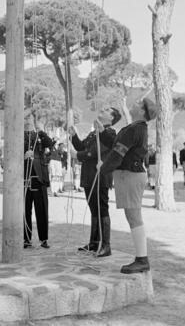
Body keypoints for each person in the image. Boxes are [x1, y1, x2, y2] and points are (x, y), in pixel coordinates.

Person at [95, 97, 157, 274]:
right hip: (129, 174)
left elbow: (118, 153)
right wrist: (102, 132)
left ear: (143, 111)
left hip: (130, 175)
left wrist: (103, 168)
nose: (134, 103)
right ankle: (141, 258)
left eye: (138, 103)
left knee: (134, 217)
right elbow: (118, 146)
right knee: (133, 217)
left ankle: (142, 260)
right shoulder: (136, 128)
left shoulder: (135, 128)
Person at [69, 107, 121, 258]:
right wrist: (74, 137)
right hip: (89, 175)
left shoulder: (110, 133)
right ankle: (94, 242)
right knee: (94, 209)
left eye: (106, 110)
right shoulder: (94, 132)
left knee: (102, 209)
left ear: (111, 118)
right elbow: (83, 146)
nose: (102, 110)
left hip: (100, 176)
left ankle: (106, 245)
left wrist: (77, 155)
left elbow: (94, 152)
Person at [24, 113, 54, 249]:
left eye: (29, 118)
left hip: (39, 178)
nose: (27, 121)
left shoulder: (39, 135)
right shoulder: (18, 135)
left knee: (42, 209)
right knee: (25, 210)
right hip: (25, 178)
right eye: (25, 118)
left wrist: (41, 130)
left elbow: (50, 144)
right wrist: (23, 156)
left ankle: (43, 239)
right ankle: (26, 239)